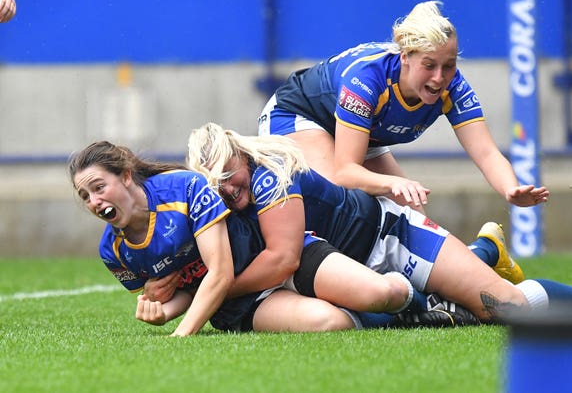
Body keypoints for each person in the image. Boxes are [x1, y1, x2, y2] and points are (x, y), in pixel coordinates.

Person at [185, 122, 572, 323]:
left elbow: (282, 259)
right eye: (214, 182)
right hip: (347, 265)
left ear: (241, 153)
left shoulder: (270, 177)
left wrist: (210, 290)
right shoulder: (229, 194)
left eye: (229, 174)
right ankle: (484, 251)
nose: (225, 188)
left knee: (505, 308)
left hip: (391, 240)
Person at [68, 141, 474, 336]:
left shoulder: (183, 188)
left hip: (270, 260)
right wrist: (162, 309)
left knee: (376, 292)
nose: (93, 200)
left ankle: (433, 296)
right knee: (329, 323)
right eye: (84, 195)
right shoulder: (114, 251)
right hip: (239, 302)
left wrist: (182, 333)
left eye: (98, 187)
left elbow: (220, 272)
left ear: (125, 176)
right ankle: (425, 308)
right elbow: (179, 293)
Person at [257, 0, 549, 216]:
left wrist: (510, 189)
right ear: (405, 57)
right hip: (298, 116)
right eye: (429, 65)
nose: (439, 78)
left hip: (359, 132)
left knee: (414, 215)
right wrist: (392, 182)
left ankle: (465, 269)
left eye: (449, 66)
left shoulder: (454, 87)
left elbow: (486, 152)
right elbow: (346, 172)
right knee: (337, 200)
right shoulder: (367, 79)